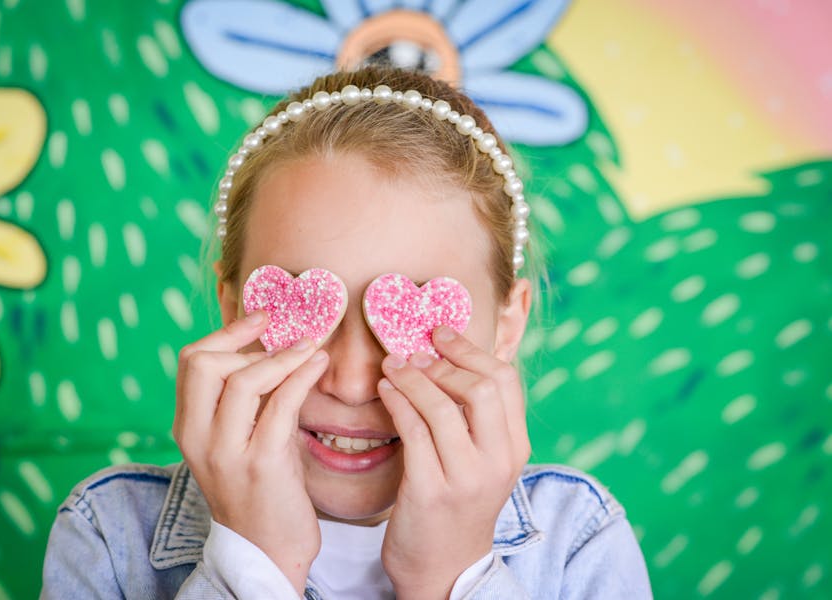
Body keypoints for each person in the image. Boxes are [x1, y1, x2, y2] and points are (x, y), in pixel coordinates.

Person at [41, 66, 652, 599]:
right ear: (233, 311)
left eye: (414, 321)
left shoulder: (580, 538)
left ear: (507, 326)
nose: (354, 382)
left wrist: (451, 579)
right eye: (304, 309)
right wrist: (255, 567)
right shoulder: (108, 532)